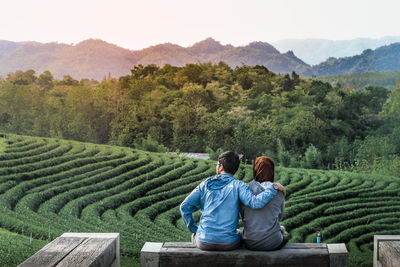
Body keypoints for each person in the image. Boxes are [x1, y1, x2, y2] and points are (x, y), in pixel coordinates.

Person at [180, 151, 286, 251]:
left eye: (217, 164)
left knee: (195, 235)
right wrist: (274, 188)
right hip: (228, 243)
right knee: (239, 234)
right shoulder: (239, 185)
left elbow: (184, 207)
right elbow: (255, 203)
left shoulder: (205, 185)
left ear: (221, 166)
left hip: (204, 242)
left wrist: (194, 229)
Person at [240, 156, 287, 250]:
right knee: (283, 234)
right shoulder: (279, 192)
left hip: (250, 242)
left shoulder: (246, 191)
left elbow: (242, 216)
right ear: (272, 171)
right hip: (273, 243)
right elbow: (280, 216)